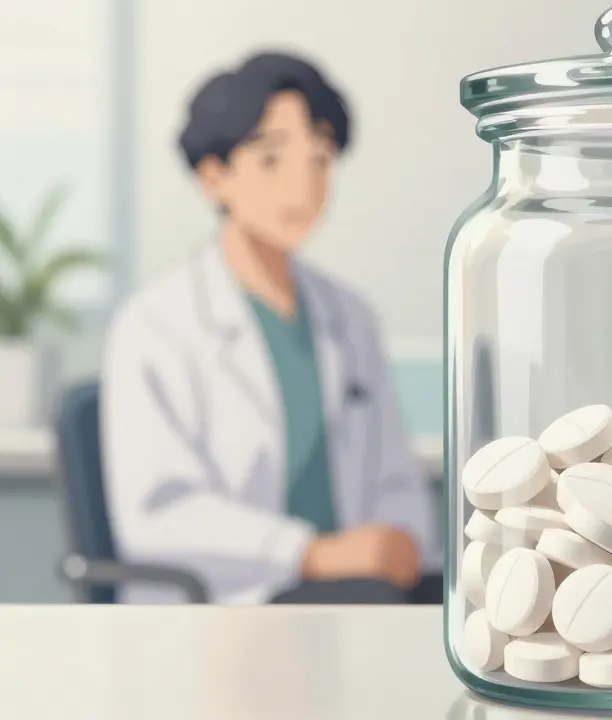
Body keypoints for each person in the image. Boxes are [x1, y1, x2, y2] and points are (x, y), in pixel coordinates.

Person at [100, 51, 442, 604]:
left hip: (358, 586)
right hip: (235, 599)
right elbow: (160, 514)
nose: (303, 185)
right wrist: (312, 554)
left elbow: (395, 480)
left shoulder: (350, 317)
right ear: (214, 176)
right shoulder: (156, 324)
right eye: (271, 160)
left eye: (320, 159)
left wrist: (400, 540)